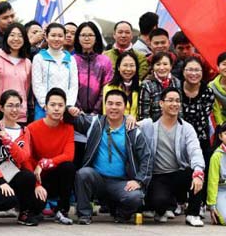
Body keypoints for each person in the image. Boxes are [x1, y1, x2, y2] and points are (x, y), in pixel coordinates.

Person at [69, 90, 152, 225]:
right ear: (104, 105)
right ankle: (84, 214)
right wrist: (69, 110)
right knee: (83, 174)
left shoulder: (133, 130)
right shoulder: (95, 123)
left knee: (135, 197)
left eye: (118, 104)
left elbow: (146, 158)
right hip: (98, 179)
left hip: (121, 182)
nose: (113, 107)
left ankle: (120, 213)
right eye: (110, 103)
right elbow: (70, 119)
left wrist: (139, 181)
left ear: (125, 107)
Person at [138, 87, 205, 227]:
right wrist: (130, 119)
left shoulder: (186, 127)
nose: (174, 104)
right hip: (157, 176)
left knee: (197, 173)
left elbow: (195, 150)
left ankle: (193, 214)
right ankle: (166, 206)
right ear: (161, 103)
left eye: (177, 101)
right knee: (159, 203)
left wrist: (198, 171)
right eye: (170, 100)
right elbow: (129, 126)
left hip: (177, 173)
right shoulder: (149, 124)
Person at [0, 90, 44, 226]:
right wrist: (1, 181)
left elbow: (23, 158)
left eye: (17, 105)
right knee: (6, 201)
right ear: (1, 108)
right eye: (10, 105)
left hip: (13, 174)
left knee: (39, 200)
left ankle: (24, 214)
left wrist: (8, 141)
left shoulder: (24, 131)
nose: (14, 110)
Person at [27, 87, 76, 225]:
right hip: (37, 177)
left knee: (69, 167)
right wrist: (36, 183)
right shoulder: (32, 128)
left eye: (60, 105)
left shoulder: (68, 128)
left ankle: (62, 209)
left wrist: (44, 163)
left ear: (65, 108)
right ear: (46, 107)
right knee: (36, 205)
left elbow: (69, 155)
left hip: (55, 176)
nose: (56, 109)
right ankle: (33, 209)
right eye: (53, 105)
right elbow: (27, 159)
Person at [72, 21, 113, 168]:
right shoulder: (72, 60)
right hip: (76, 114)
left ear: (96, 38)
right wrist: (79, 110)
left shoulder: (104, 61)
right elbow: (71, 87)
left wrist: (96, 110)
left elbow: (106, 88)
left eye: (90, 35)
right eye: (83, 35)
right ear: (78, 38)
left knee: (94, 154)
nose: (87, 38)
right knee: (76, 155)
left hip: (98, 116)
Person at [181, 57, 215, 206]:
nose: (193, 73)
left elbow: (202, 115)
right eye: (190, 69)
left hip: (201, 137)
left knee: (201, 168)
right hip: (179, 136)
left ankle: (199, 203)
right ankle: (180, 200)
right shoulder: (176, 88)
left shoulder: (208, 92)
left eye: (197, 70)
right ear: (183, 72)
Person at [31, 23, 78, 120]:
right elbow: (37, 84)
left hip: (64, 110)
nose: (56, 39)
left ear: (64, 38)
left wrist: (67, 106)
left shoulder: (71, 59)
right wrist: (47, 106)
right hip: (43, 109)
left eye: (60, 36)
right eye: (53, 35)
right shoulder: (39, 58)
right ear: (46, 37)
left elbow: (74, 86)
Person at [0, 22, 32, 125]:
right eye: (12, 35)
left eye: (20, 36)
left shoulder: (27, 63)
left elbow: (26, 89)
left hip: (19, 115)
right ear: (6, 37)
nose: (16, 39)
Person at [139, 51, 181, 121]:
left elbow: (179, 108)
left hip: (173, 123)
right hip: (153, 124)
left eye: (165, 64)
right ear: (153, 67)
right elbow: (144, 115)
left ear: (171, 66)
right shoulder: (146, 84)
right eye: (158, 64)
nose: (161, 68)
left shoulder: (176, 82)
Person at [103, 51, 140, 118]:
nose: (128, 69)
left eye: (132, 65)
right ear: (118, 67)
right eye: (125, 65)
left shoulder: (141, 86)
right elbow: (106, 113)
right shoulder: (109, 88)